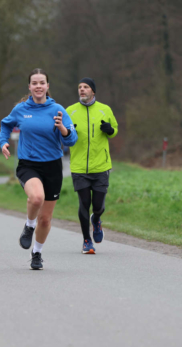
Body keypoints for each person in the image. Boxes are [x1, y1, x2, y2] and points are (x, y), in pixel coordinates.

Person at [0, 68, 78, 270]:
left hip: (52, 165)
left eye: (42, 83)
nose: (38, 86)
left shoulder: (58, 110)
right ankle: (28, 225)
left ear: (48, 86)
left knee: (45, 219)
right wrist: (3, 142)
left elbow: (72, 139)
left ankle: (37, 253)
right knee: (36, 198)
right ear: (29, 87)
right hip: (28, 164)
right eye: (34, 83)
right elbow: (6, 125)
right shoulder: (21, 109)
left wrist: (62, 129)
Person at [66, 77, 118, 254]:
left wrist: (110, 130)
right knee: (84, 203)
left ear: (93, 91)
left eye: (86, 87)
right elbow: (62, 135)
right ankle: (86, 241)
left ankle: (96, 219)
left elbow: (114, 130)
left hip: (101, 166)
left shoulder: (105, 109)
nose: (82, 90)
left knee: (98, 206)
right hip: (79, 167)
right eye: (80, 87)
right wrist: (67, 133)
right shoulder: (70, 111)